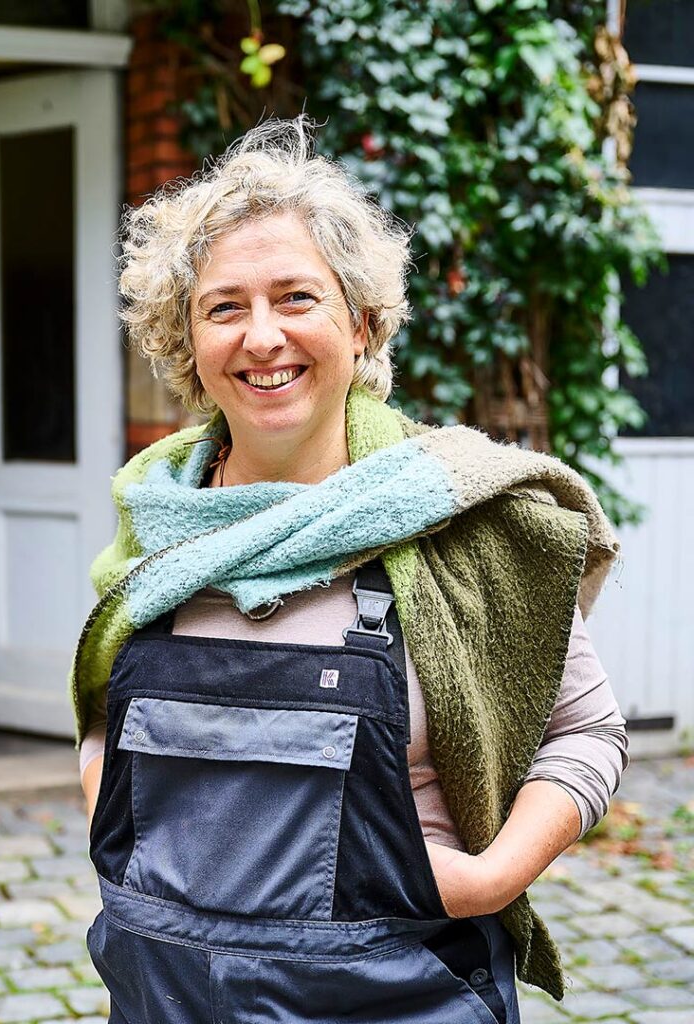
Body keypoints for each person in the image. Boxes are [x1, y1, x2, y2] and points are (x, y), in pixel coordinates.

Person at [70, 117, 627, 1024]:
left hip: (398, 991)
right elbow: (101, 712)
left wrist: (490, 879)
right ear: (188, 341)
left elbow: (587, 732)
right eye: (224, 307)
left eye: (297, 297)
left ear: (361, 324)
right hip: (165, 994)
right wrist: (114, 821)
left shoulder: (462, 515)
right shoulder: (160, 522)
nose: (262, 337)